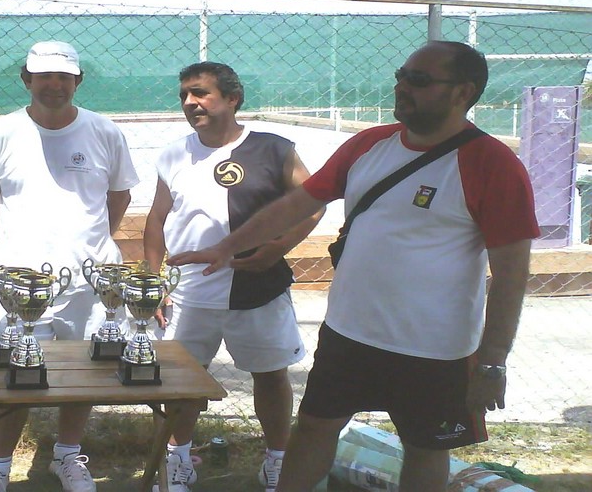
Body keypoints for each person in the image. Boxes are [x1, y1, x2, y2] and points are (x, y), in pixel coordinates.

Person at [169, 41, 539, 492]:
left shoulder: (493, 165)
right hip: (348, 334)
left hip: (434, 349)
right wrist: (227, 247)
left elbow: (512, 274)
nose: (402, 87)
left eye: (419, 80)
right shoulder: (369, 144)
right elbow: (298, 204)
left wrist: (492, 362)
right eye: (401, 76)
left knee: (425, 448)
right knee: (313, 428)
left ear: (462, 92)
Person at [143, 62, 321, 492]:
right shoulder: (173, 154)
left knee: (271, 376)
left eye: (200, 93)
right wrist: (154, 282)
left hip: (258, 289)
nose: (190, 102)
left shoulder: (275, 149)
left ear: (232, 98)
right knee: (182, 382)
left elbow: (313, 203)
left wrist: (278, 248)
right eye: (184, 95)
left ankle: (277, 461)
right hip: (188, 294)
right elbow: (156, 220)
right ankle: (178, 461)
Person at [0, 40, 139, 492]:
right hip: (20, 288)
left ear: (77, 81)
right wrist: (22, 245)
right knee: (14, 380)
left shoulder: (105, 131)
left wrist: (88, 246)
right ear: (26, 79)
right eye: (43, 75)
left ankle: (67, 456)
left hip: (91, 284)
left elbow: (119, 195)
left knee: (86, 374)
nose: (54, 84)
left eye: (64, 76)